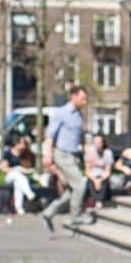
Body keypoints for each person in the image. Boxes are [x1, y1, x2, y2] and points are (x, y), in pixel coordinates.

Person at [39, 83, 91, 233]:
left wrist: (87, 152)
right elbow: (49, 136)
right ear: (73, 97)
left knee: (72, 190)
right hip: (62, 154)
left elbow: (80, 137)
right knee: (81, 184)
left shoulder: (79, 115)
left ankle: (48, 213)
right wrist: (47, 156)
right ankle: (74, 217)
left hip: (74, 156)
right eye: (83, 99)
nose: (85, 102)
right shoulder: (61, 113)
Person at [83, 132, 114, 209]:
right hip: (92, 175)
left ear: (103, 143)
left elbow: (108, 171)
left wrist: (99, 180)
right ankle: (96, 201)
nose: (97, 144)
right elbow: (87, 170)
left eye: (99, 142)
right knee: (90, 182)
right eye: (95, 142)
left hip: (102, 175)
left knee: (104, 181)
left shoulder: (108, 153)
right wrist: (95, 180)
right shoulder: (90, 153)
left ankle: (98, 201)